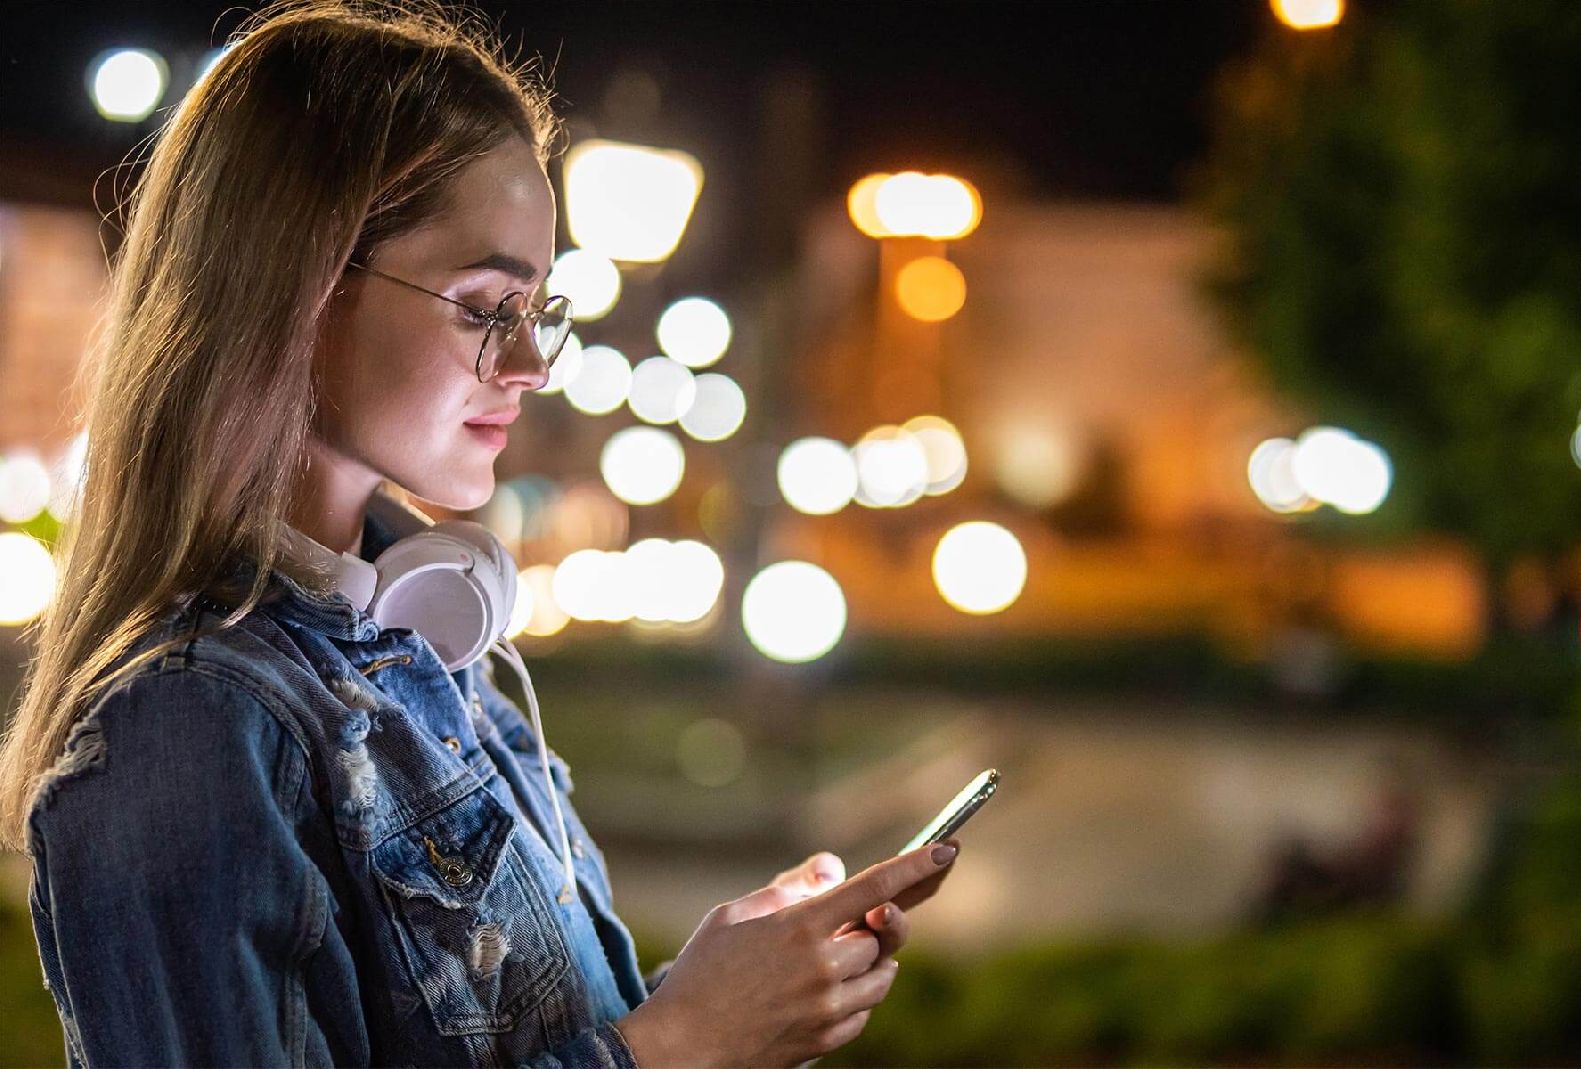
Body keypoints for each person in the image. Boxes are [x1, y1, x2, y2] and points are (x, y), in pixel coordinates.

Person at [0, 2, 954, 1064]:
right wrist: (684, 1043)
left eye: (539, 310)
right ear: (296, 285)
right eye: (487, 306)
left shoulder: (423, 641)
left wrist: (730, 998)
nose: (533, 365)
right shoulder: (186, 723)